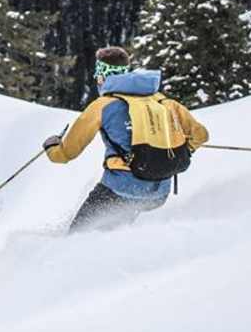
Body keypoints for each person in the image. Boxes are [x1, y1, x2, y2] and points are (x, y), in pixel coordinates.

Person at [43, 46, 209, 233]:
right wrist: (177, 148)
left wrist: (52, 147)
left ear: (103, 77)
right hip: (159, 192)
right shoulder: (163, 101)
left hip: (120, 189)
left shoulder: (102, 106)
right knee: (115, 230)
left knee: (77, 236)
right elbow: (201, 135)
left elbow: (66, 154)